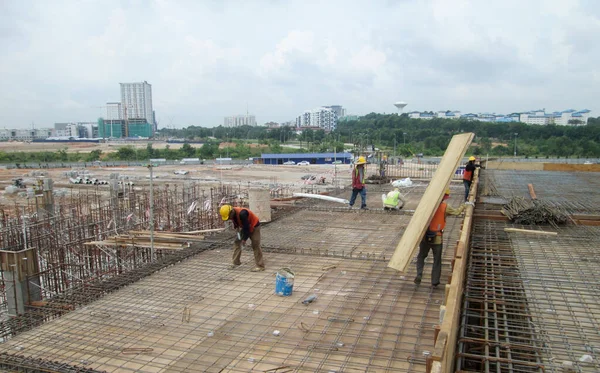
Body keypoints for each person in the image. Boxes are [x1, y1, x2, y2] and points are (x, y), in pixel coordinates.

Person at [414, 188, 472, 287]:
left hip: (425, 237)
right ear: (444, 197)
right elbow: (457, 212)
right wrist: (465, 205)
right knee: (437, 260)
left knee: (421, 257)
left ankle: (419, 274)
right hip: (437, 238)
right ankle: (435, 281)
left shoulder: (427, 205)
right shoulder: (445, 207)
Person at [220, 204, 265, 272]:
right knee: (237, 243)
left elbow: (247, 228)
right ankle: (236, 262)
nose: (229, 218)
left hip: (254, 226)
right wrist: (239, 235)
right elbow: (236, 224)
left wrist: (244, 239)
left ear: (231, 212)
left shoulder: (242, 213)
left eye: (229, 217)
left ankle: (260, 266)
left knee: (255, 245)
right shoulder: (232, 213)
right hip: (245, 227)